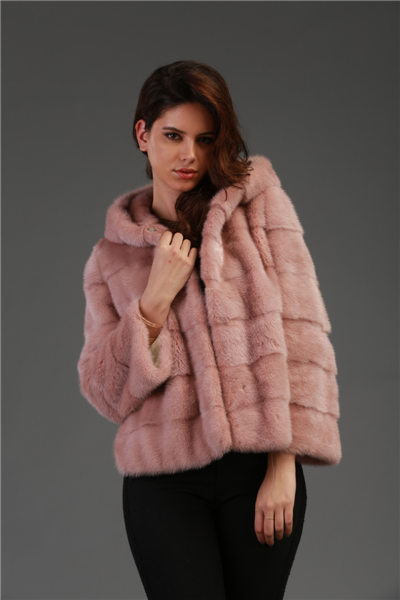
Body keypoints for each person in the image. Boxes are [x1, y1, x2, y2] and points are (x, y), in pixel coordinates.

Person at [77, 60, 342, 600]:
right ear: (143, 134)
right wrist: (153, 302)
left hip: (258, 473)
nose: (189, 156)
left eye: (204, 139)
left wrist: (283, 466)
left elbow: (304, 340)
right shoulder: (110, 258)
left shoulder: (257, 210)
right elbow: (105, 393)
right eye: (173, 136)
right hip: (163, 485)